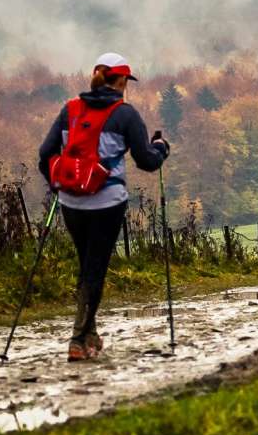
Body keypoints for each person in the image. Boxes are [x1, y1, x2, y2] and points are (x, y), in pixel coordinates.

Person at [38, 53, 170, 361]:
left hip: (71, 201)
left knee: (86, 265)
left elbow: (45, 153)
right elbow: (146, 161)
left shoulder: (70, 110)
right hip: (106, 202)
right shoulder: (125, 114)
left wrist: (57, 183)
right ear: (122, 81)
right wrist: (162, 149)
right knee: (95, 268)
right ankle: (77, 339)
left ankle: (91, 335)